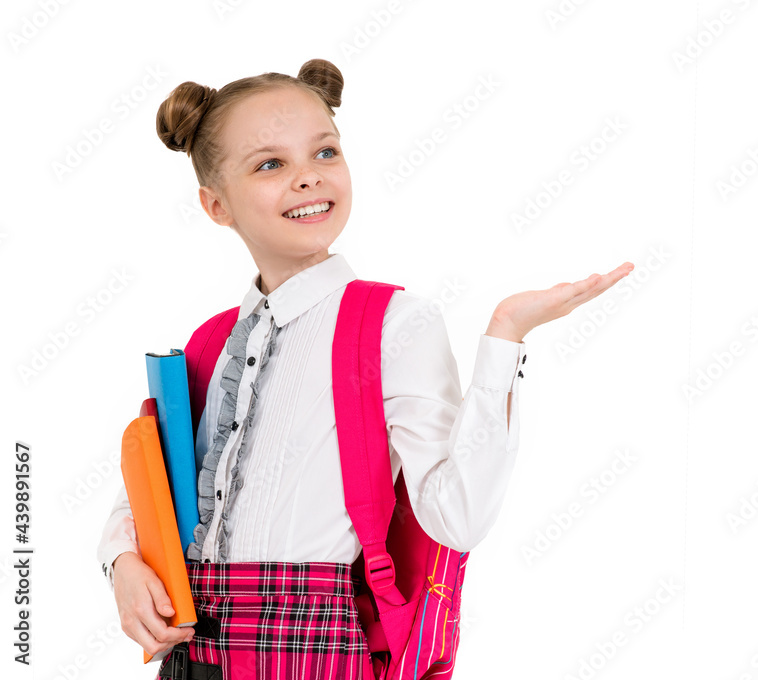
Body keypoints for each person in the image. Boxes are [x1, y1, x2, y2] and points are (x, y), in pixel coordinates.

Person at [96, 57, 633, 677]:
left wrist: (505, 336)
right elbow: (148, 492)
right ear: (216, 205)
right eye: (270, 164)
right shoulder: (209, 342)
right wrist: (121, 563)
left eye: (324, 152)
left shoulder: (393, 324)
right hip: (190, 658)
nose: (308, 177)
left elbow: (456, 516)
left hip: (313, 652)